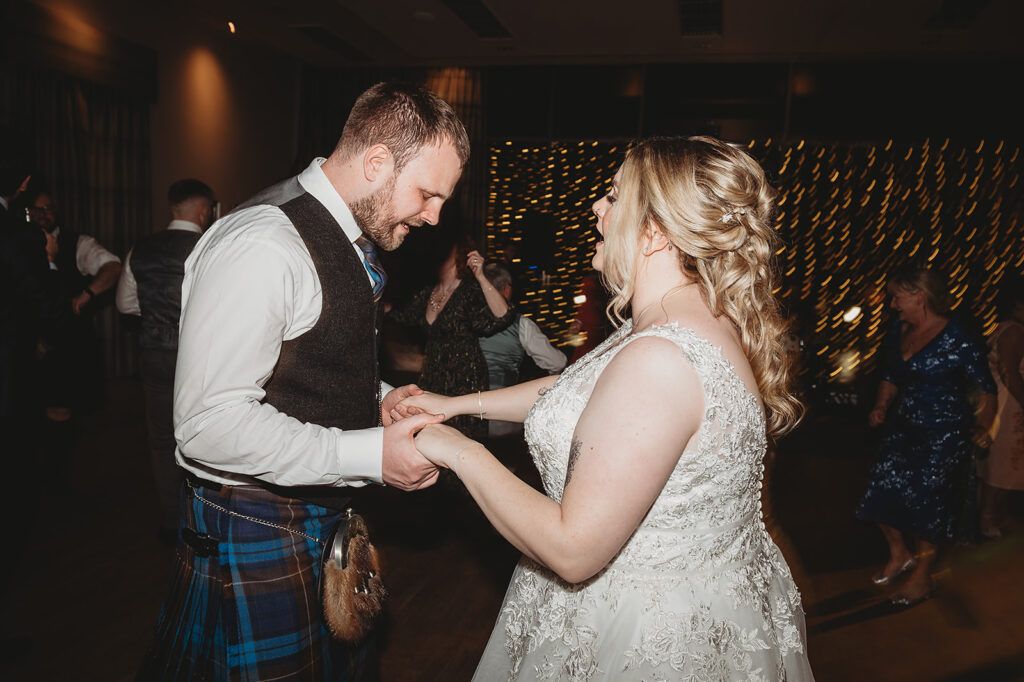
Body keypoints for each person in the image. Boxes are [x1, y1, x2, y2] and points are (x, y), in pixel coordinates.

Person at [396, 136, 813, 680]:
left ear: (656, 230)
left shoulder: (660, 358)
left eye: (614, 196)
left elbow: (573, 550)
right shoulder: (679, 318)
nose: (597, 207)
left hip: (640, 631)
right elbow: (574, 395)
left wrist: (452, 448)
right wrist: (453, 405)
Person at [137, 82, 469, 680]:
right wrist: (368, 454)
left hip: (313, 522)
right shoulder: (262, 244)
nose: (434, 216)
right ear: (376, 163)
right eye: (427, 194)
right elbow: (208, 426)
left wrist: (378, 399)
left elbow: (303, 360)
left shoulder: (343, 236)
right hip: (254, 528)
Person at [858, 266, 996, 606]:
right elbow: (891, 374)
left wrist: (983, 427)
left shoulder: (957, 337)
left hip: (945, 433)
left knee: (928, 507)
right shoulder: (898, 330)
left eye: (897, 297)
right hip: (904, 427)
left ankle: (921, 578)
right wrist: (881, 404)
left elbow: (987, 388)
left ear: (919, 296)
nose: (892, 304)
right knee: (878, 492)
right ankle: (899, 554)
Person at [116, 179, 216, 544]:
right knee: (205, 434)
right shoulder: (211, 245)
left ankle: (170, 521)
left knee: (160, 439)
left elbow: (126, 305)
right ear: (204, 210)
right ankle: (202, 520)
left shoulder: (141, 248)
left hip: (154, 353)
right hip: (199, 356)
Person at [24, 185, 121, 483]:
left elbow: (113, 265)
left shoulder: (77, 242)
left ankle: (57, 475)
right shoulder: (13, 239)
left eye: (49, 208)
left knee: (59, 404)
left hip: (62, 338)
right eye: (37, 209)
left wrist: (87, 294)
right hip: (22, 336)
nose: (43, 215)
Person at [388, 234, 514, 440]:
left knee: (461, 440)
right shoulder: (428, 292)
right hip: (432, 377)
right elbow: (397, 313)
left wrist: (481, 276)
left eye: (445, 249)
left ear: (459, 252)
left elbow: (502, 316)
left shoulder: (469, 290)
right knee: (430, 439)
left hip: (465, 381)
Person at [478, 262, 566, 437]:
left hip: (464, 415)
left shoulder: (464, 322)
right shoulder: (521, 324)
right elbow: (557, 362)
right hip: (503, 418)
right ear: (506, 289)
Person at [978, 272, 1024, 537]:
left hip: (1001, 402)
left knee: (999, 464)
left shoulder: (1003, 327)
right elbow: (1010, 372)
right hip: (1010, 406)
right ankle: (987, 520)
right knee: (1003, 464)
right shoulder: (1014, 331)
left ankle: (993, 517)